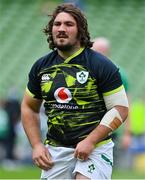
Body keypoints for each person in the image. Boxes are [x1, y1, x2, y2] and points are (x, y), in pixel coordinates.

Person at [21, 4, 129, 179]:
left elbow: (120, 108)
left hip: (95, 147)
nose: (61, 29)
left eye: (69, 24)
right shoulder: (41, 67)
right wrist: (36, 145)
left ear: (80, 30)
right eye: (57, 24)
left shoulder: (101, 65)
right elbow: (29, 107)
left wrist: (91, 140)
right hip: (56, 150)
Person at [92, 37, 131, 168]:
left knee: (104, 168)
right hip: (84, 128)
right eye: (96, 50)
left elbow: (125, 105)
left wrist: (127, 133)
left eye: (102, 51)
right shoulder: (82, 71)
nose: (99, 54)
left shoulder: (118, 74)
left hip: (108, 129)